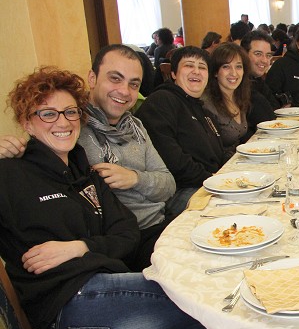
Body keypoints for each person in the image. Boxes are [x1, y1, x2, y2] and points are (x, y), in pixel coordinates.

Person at [0, 66, 228, 329]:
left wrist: (80, 247)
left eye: (70, 112)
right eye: (48, 114)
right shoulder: (11, 174)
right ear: (27, 123)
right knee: (217, 294)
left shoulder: (87, 175)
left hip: (103, 321)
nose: (63, 122)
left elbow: (128, 234)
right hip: (73, 310)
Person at [0, 45, 176, 272]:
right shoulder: (69, 142)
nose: (124, 91)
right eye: (115, 78)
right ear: (92, 78)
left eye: (133, 84)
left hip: (142, 231)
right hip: (116, 252)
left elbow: (167, 184)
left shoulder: (133, 127)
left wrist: (134, 178)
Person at [138, 46, 224, 216]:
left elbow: (218, 154)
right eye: (189, 65)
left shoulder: (203, 111)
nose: (196, 71)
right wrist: (213, 179)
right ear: (173, 74)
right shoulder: (162, 101)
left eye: (202, 67)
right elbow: (172, 160)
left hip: (205, 183)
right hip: (178, 191)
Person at [201, 43, 275, 158]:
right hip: (225, 164)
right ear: (215, 72)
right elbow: (212, 153)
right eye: (226, 67)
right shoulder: (207, 104)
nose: (234, 73)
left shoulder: (238, 96)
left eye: (238, 67)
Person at [240, 30, 283, 109]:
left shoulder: (258, 81)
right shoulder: (238, 85)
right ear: (244, 54)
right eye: (258, 54)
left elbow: (274, 107)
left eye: (268, 55)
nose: (264, 60)